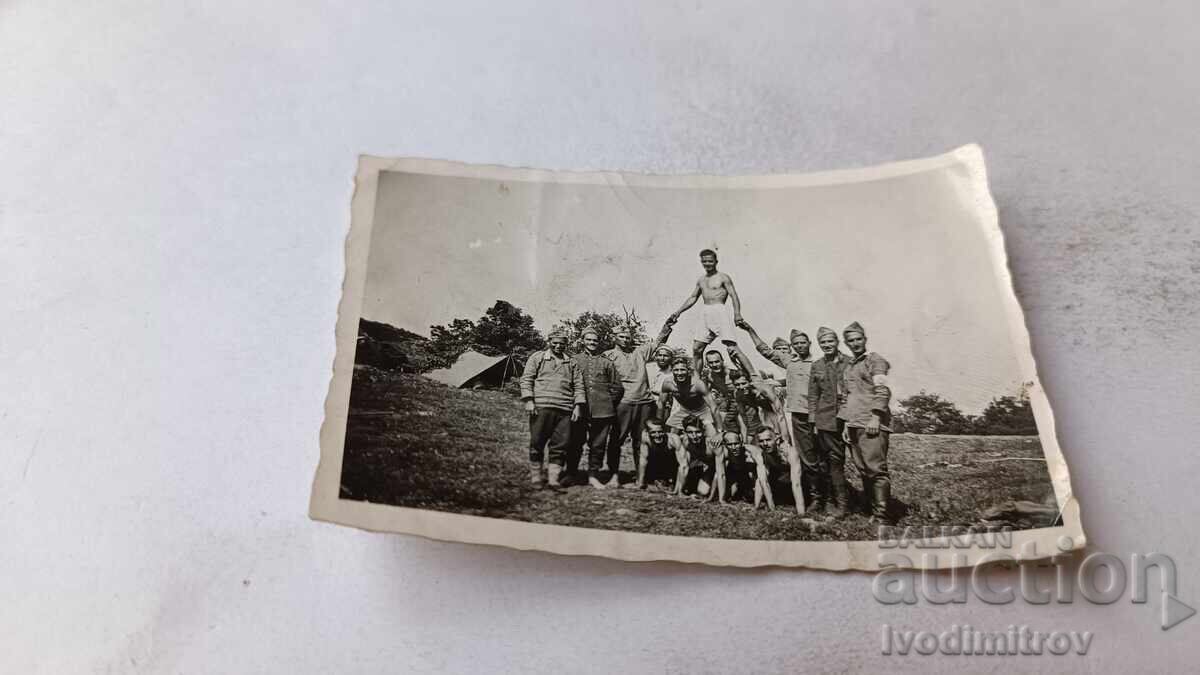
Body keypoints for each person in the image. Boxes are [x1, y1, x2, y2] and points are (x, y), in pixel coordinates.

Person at [741, 321, 821, 512]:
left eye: (803, 342)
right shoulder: (789, 362)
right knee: (793, 454)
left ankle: (821, 496)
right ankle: (810, 496)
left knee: (815, 455)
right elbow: (765, 351)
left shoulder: (817, 364)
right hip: (794, 415)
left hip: (813, 415)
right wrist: (750, 330)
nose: (800, 346)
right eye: (796, 343)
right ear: (793, 346)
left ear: (809, 343)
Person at [604, 318, 675, 488]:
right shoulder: (608, 355)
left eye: (628, 337)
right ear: (614, 338)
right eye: (622, 337)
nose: (625, 340)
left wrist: (667, 326)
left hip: (644, 403)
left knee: (642, 440)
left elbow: (658, 342)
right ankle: (613, 475)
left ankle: (642, 476)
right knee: (616, 440)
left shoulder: (639, 352)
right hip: (623, 403)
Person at [668, 249, 756, 379]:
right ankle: (697, 379)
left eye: (710, 261)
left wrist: (737, 314)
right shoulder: (701, 280)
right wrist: (678, 312)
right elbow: (693, 297)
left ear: (716, 261)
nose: (707, 264)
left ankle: (753, 375)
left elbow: (734, 295)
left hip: (719, 311)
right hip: (706, 312)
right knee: (697, 348)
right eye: (704, 261)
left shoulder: (723, 277)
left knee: (731, 346)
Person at [838, 321, 894, 523]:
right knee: (863, 469)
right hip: (854, 424)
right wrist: (846, 423)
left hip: (871, 423)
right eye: (851, 341)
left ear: (865, 339)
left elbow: (883, 390)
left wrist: (876, 416)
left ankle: (882, 516)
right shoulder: (849, 367)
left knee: (876, 469)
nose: (855, 343)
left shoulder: (875, 360)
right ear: (846, 343)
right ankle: (871, 509)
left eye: (858, 339)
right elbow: (847, 397)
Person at [519, 329, 585, 488]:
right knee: (537, 442)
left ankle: (553, 479)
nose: (558, 346)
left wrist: (577, 406)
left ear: (566, 344)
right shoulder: (538, 357)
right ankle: (536, 477)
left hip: (565, 409)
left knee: (560, 445)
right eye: (555, 343)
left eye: (562, 344)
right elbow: (526, 379)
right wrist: (529, 400)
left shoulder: (571, 362)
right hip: (541, 407)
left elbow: (579, 385)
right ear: (549, 342)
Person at [571, 328, 625, 489]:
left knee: (598, 445)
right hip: (579, 409)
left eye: (595, 340)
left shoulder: (606, 362)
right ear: (582, 341)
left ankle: (593, 475)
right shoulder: (574, 360)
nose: (592, 343)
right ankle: (571, 474)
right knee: (575, 442)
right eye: (588, 340)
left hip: (603, 411)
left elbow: (617, 387)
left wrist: (607, 401)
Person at [807, 326, 851, 517]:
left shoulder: (849, 362)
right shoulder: (817, 366)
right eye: (823, 342)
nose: (827, 345)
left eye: (830, 341)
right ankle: (835, 502)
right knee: (829, 462)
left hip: (847, 418)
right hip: (825, 420)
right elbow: (813, 395)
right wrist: (813, 420)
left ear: (837, 342)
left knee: (847, 461)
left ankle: (853, 502)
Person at [658, 356, 721, 443]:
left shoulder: (697, 384)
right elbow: (661, 403)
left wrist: (719, 430)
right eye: (676, 370)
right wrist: (658, 424)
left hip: (702, 410)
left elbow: (713, 407)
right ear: (672, 370)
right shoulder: (668, 383)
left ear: (688, 371)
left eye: (682, 370)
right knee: (670, 437)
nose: (679, 373)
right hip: (684, 411)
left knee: (713, 437)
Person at [715, 431, 772, 507]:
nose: (733, 447)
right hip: (737, 475)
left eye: (736, 444)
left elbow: (763, 479)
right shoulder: (722, 452)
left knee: (752, 495)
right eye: (730, 444)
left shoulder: (753, 451)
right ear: (725, 445)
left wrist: (771, 506)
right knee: (731, 493)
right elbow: (721, 475)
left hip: (753, 476)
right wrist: (721, 500)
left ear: (741, 443)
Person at [675, 415, 718, 498]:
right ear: (685, 432)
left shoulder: (711, 443)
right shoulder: (685, 441)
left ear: (703, 431)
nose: (694, 436)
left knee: (703, 491)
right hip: (700, 466)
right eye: (690, 433)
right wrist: (679, 491)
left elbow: (721, 467)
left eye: (698, 432)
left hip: (716, 468)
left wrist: (711, 497)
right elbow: (683, 466)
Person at [636, 418, 685, 490]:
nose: (657, 435)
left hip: (672, 465)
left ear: (665, 430)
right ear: (647, 432)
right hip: (657, 464)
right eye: (653, 432)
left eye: (660, 432)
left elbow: (683, 465)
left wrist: (679, 490)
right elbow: (643, 460)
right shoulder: (645, 437)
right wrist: (641, 482)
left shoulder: (673, 439)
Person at [699, 349, 740, 432]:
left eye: (717, 362)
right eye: (711, 362)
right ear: (707, 363)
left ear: (722, 361)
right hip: (726, 405)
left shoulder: (732, 373)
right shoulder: (709, 376)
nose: (714, 365)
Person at [645, 344, 678, 419]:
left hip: (663, 404)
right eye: (660, 355)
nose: (662, 358)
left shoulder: (673, 372)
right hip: (646, 402)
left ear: (671, 358)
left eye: (665, 356)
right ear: (656, 356)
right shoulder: (648, 367)